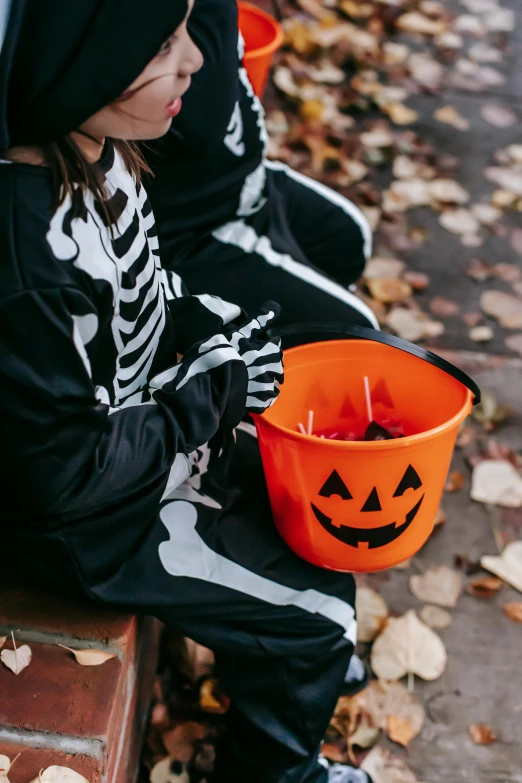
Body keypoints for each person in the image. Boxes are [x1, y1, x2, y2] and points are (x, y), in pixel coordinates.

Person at [0, 2, 371, 782]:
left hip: (153, 444)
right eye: (164, 46)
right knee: (320, 612)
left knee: (315, 520)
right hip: (93, 526)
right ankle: (274, 773)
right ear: (88, 69)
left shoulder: (102, 149)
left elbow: (148, 280)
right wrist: (201, 401)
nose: (194, 63)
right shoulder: (33, 257)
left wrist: (206, 324)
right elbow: (62, 472)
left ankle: (275, 658)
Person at [142, 0, 379, 343]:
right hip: (193, 236)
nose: (190, 57)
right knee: (356, 335)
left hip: (250, 181)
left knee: (346, 237)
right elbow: (201, 121)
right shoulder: (140, 30)